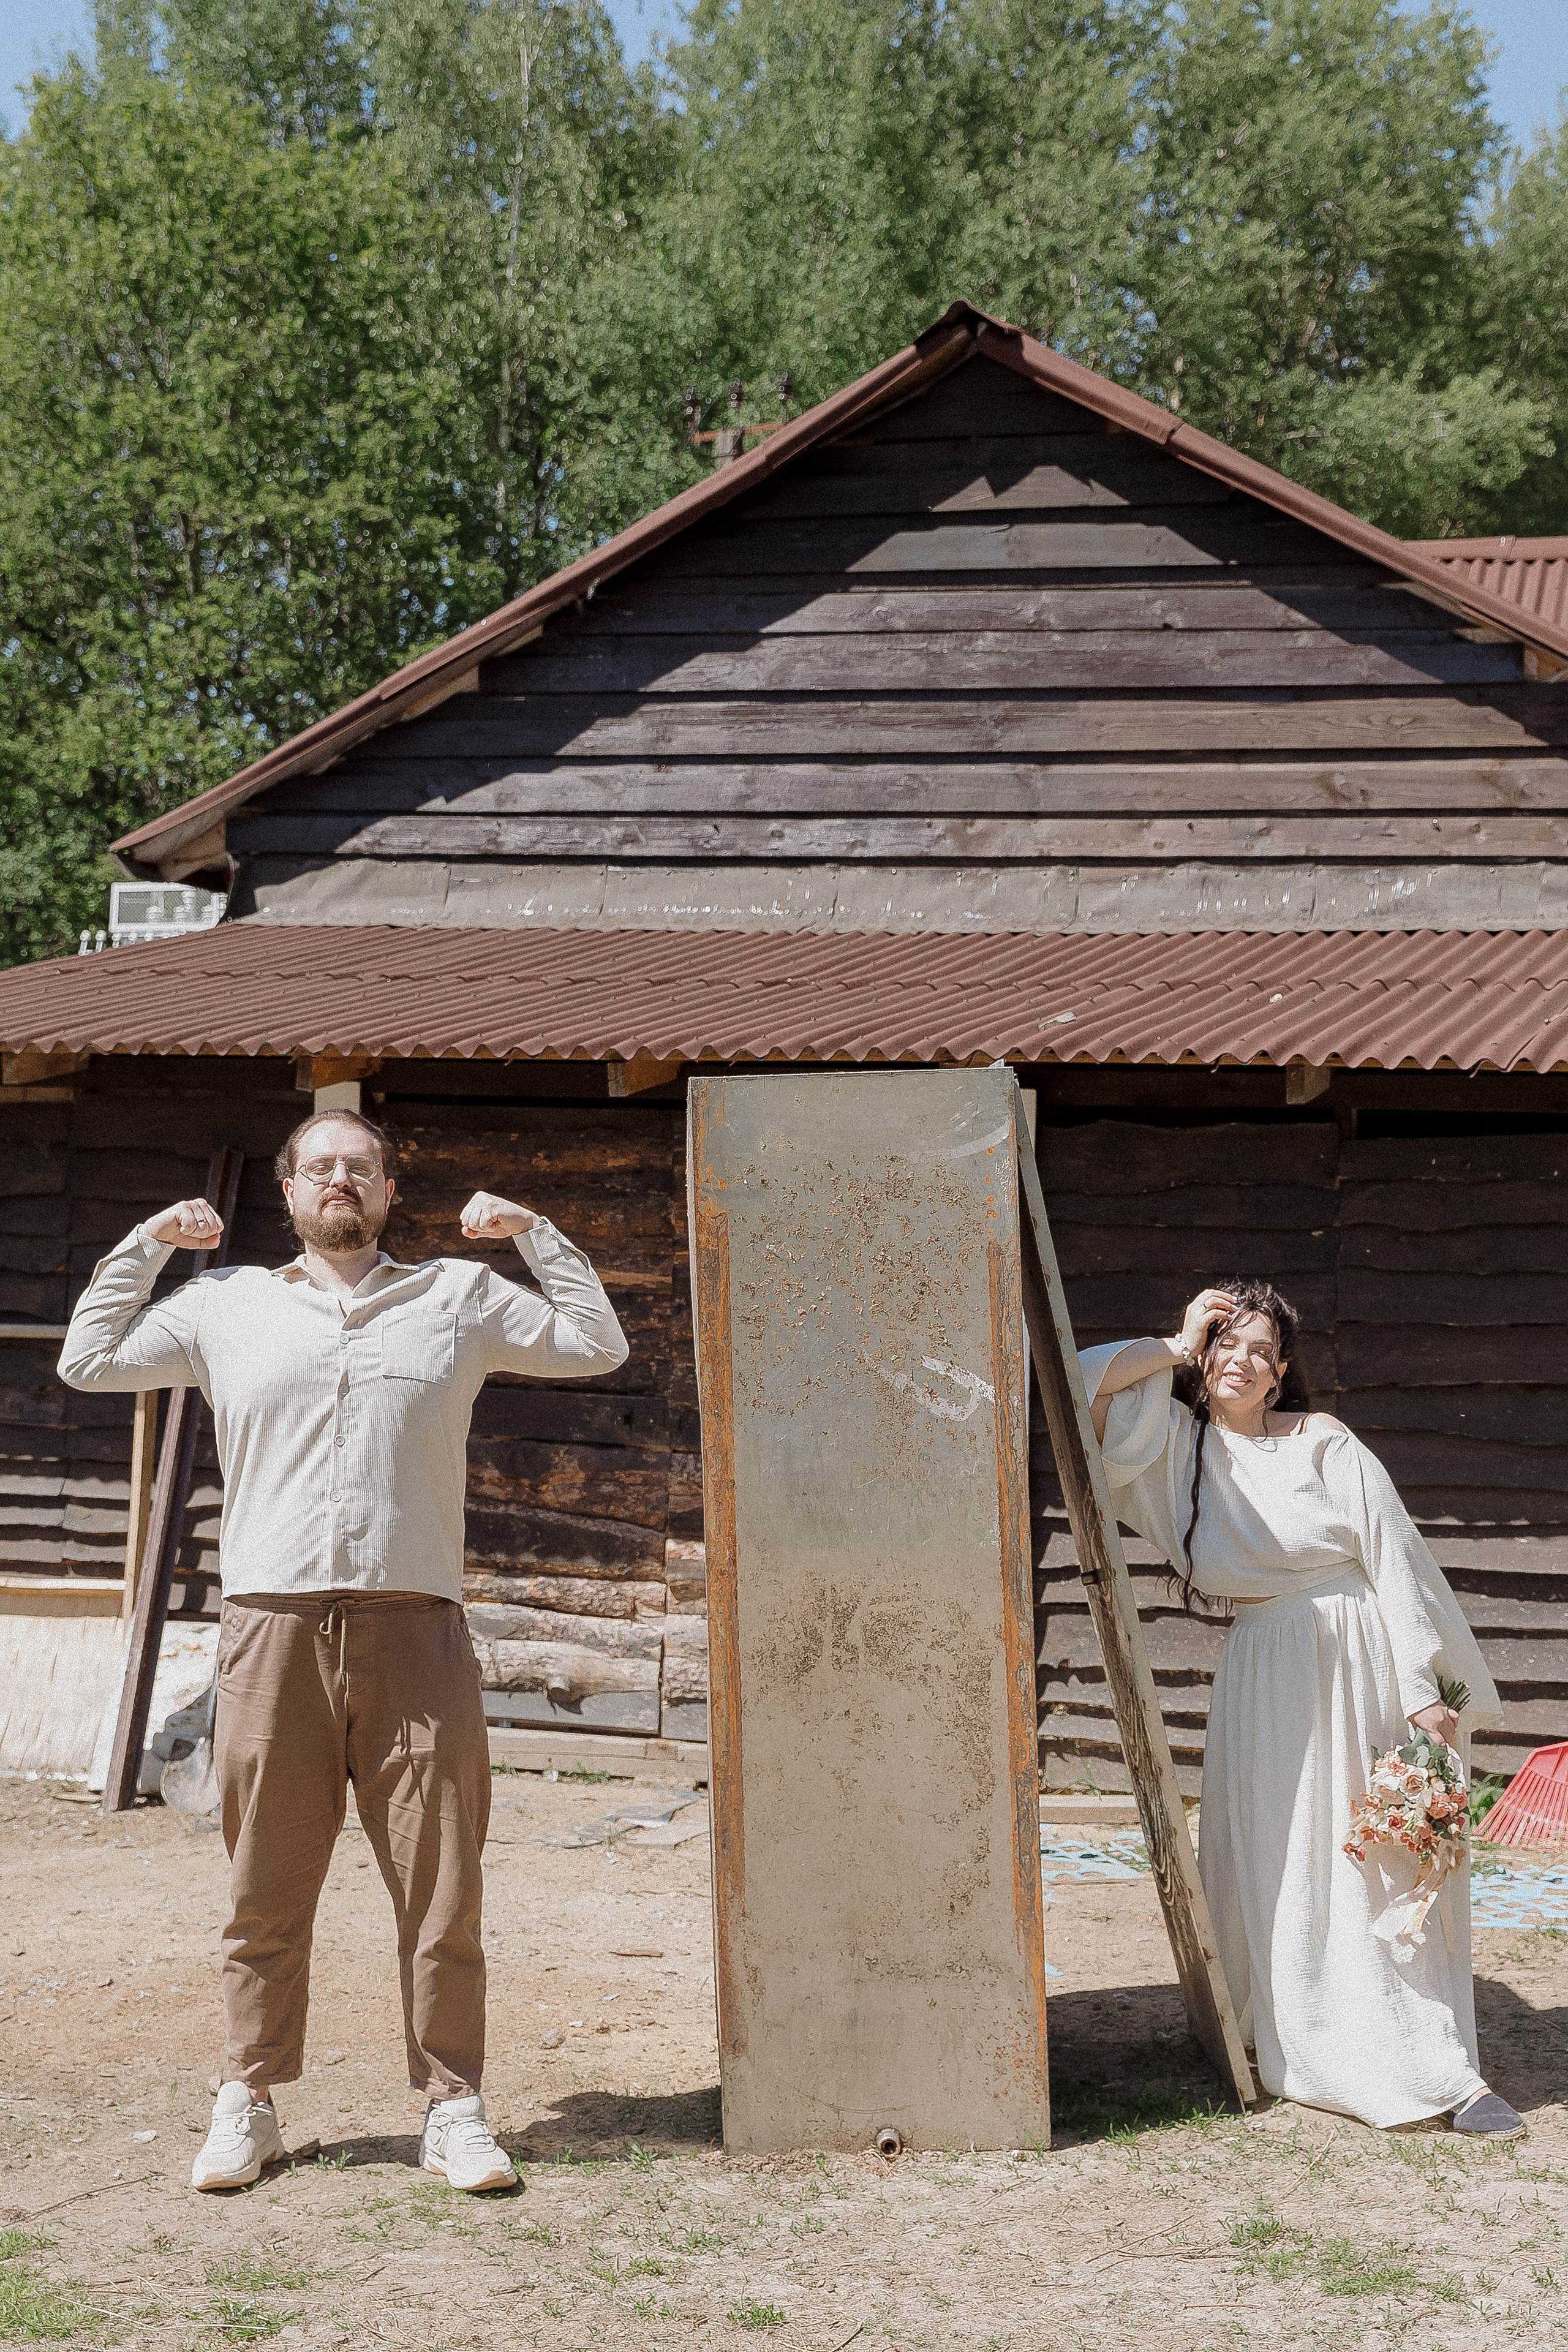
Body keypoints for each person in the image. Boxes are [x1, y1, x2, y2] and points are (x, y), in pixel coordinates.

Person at [59, 1110, 628, 2192]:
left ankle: (454, 2107)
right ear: (288, 1192)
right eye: (319, 1167)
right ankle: (249, 2098)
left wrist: (532, 1230)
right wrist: (147, 1244)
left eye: (358, 1168)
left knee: (442, 1879)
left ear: (386, 1188)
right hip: (269, 1629)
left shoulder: (457, 1299)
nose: (339, 1182)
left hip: (415, 1626)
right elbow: (88, 1363)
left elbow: (600, 1344)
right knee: (263, 1879)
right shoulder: (223, 1306)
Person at [1083, 1279, 1523, 2136]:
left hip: (1356, 1659)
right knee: (1276, 1858)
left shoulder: (1321, 1439)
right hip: (1262, 1676)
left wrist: (1423, 1689)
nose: (1240, 1358)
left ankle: (1436, 2064)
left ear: (1280, 1374)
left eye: (1258, 1349)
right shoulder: (1172, 1448)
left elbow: (1390, 1556)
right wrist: (1178, 1341)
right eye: (1226, 1342)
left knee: (1373, 1860)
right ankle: (1294, 2030)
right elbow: (1076, 1378)